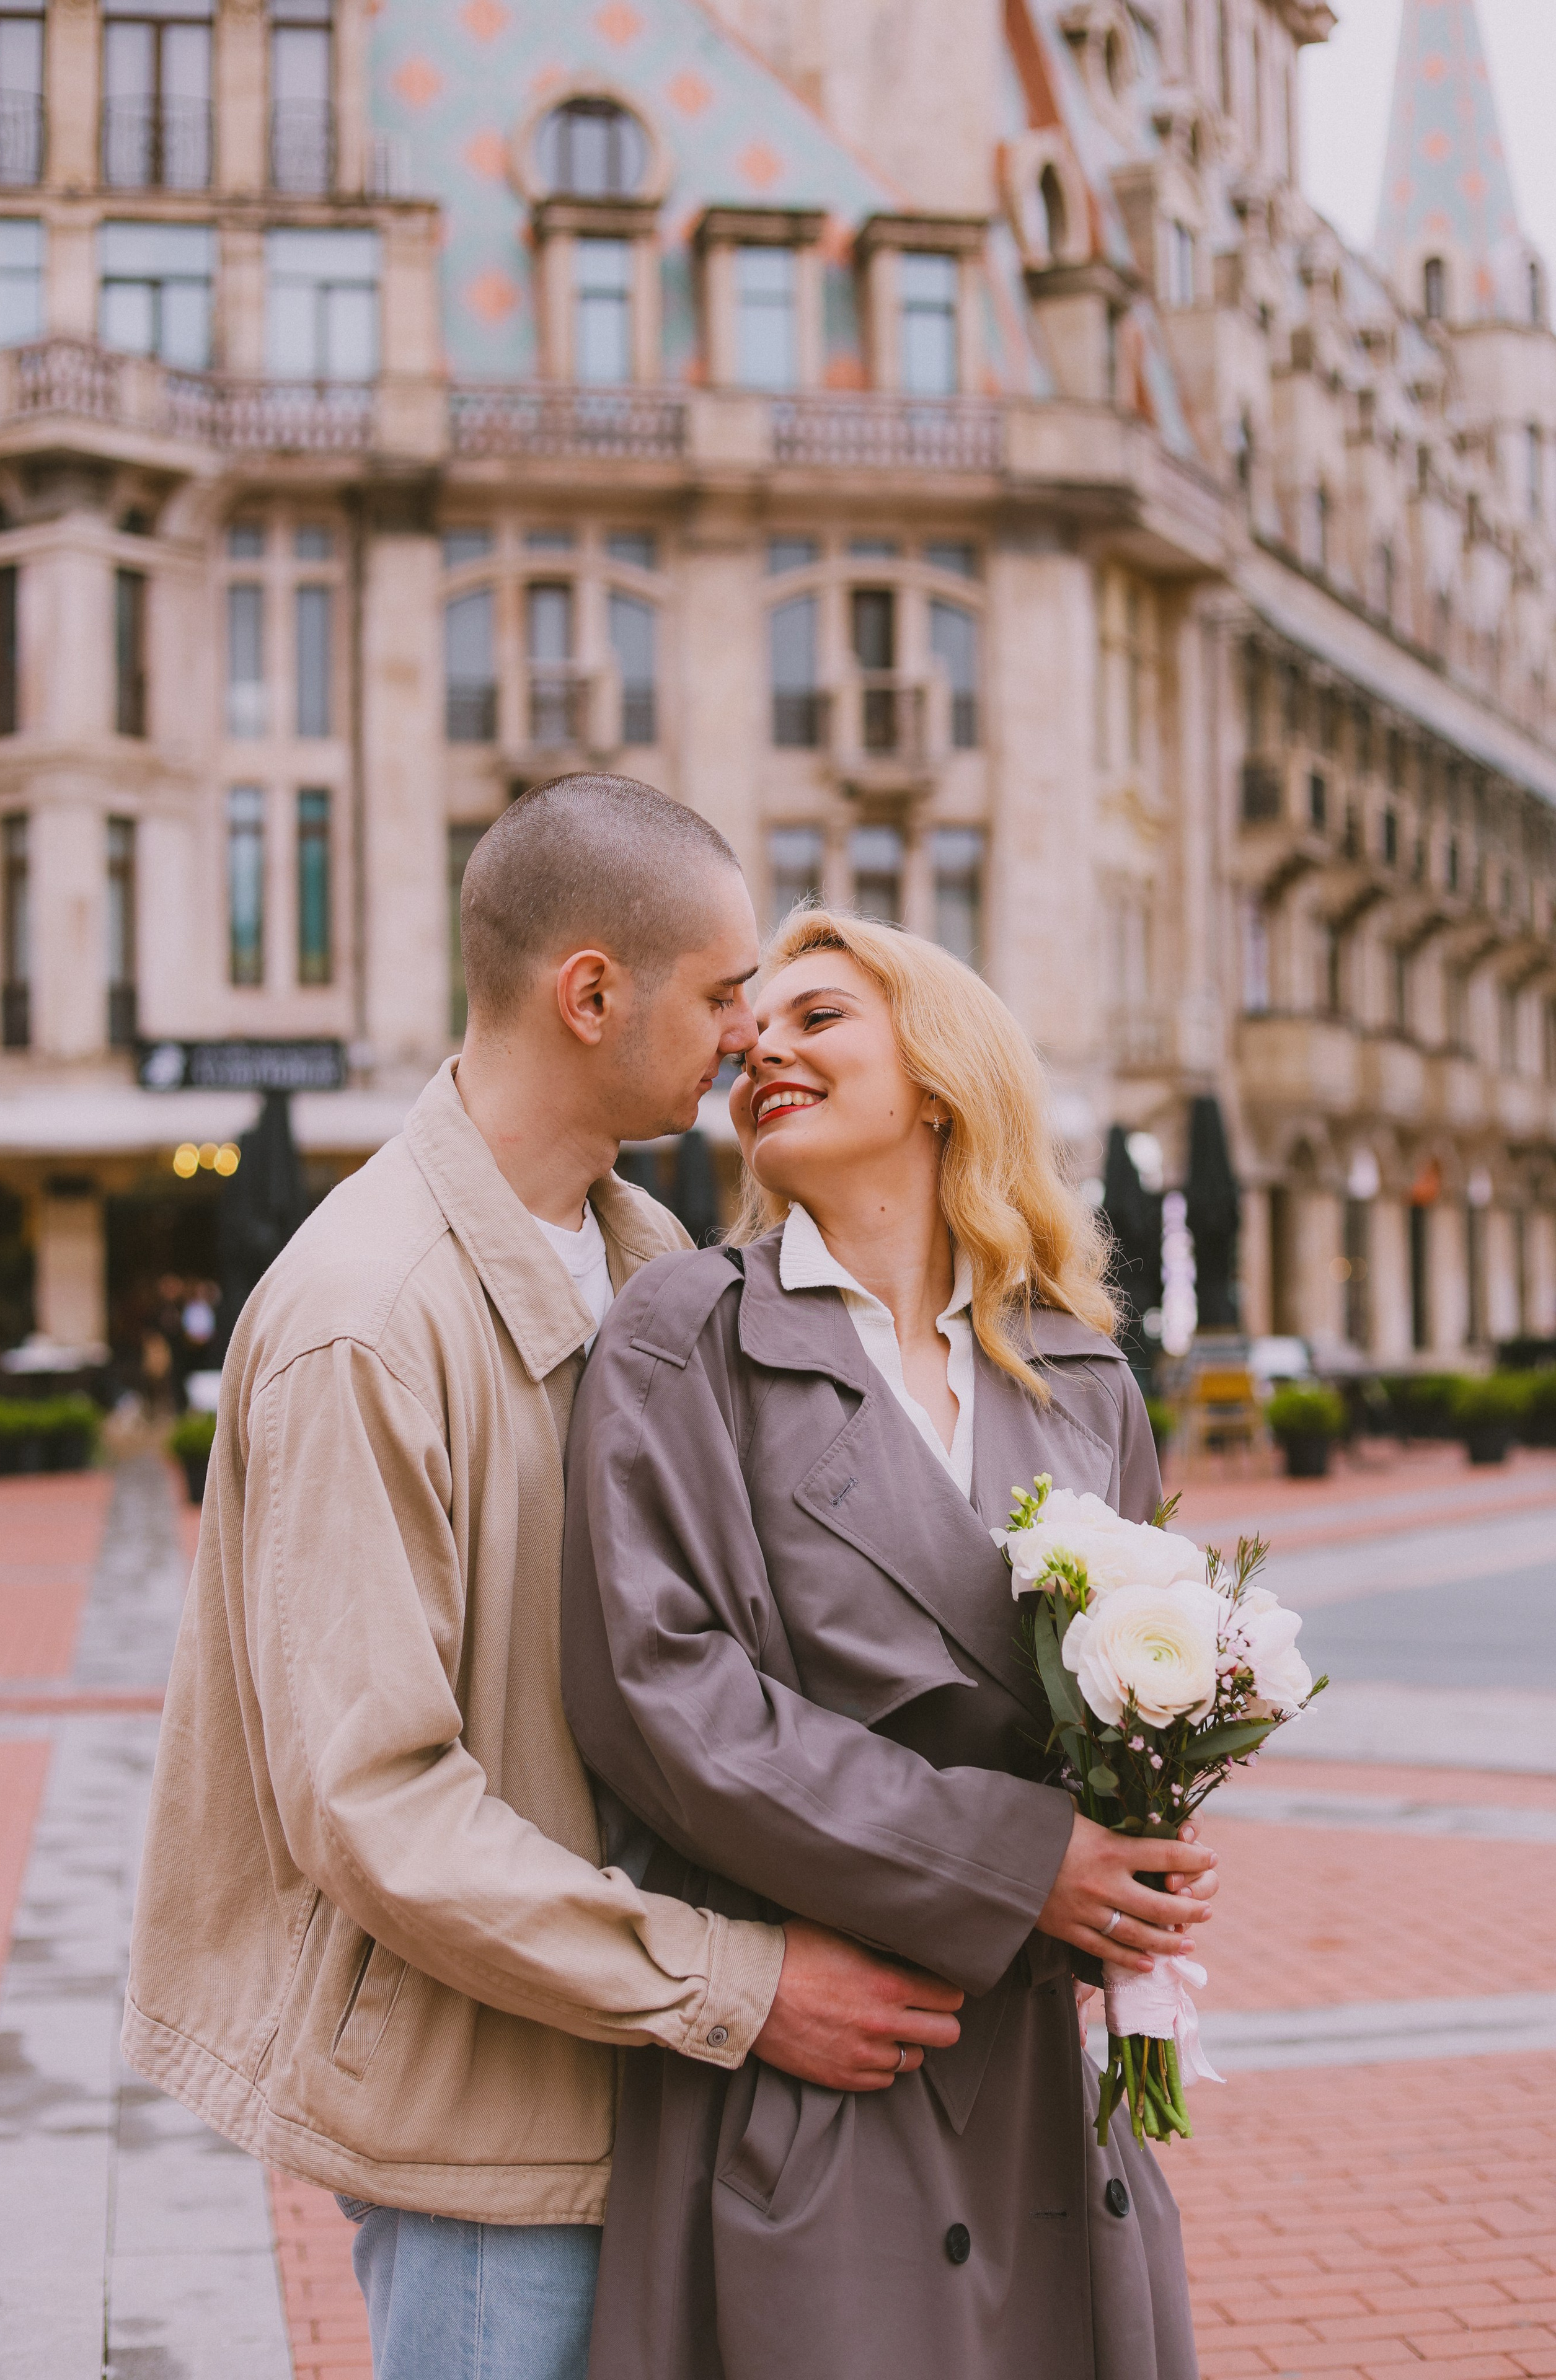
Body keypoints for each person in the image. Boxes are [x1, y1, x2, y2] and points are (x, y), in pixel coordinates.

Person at [122, 780, 963, 2380]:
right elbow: (373, 1805)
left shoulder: (654, 1262)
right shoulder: (365, 1316)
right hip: (489, 2137)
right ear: (593, 994)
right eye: (724, 996)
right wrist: (745, 1986)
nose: (745, 1038)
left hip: (646, 2085)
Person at [561, 907, 1221, 2380]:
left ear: (936, 1080)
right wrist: (1015, 1864)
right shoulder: (685, 1335)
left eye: (817, 1020)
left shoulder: (1080, 1371)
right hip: (824, 2057)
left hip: (1051, 2084)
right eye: (756, 1028)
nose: (761, 1049)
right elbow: (661, 1700)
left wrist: (1147, 1842)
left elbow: (1130, 1693)